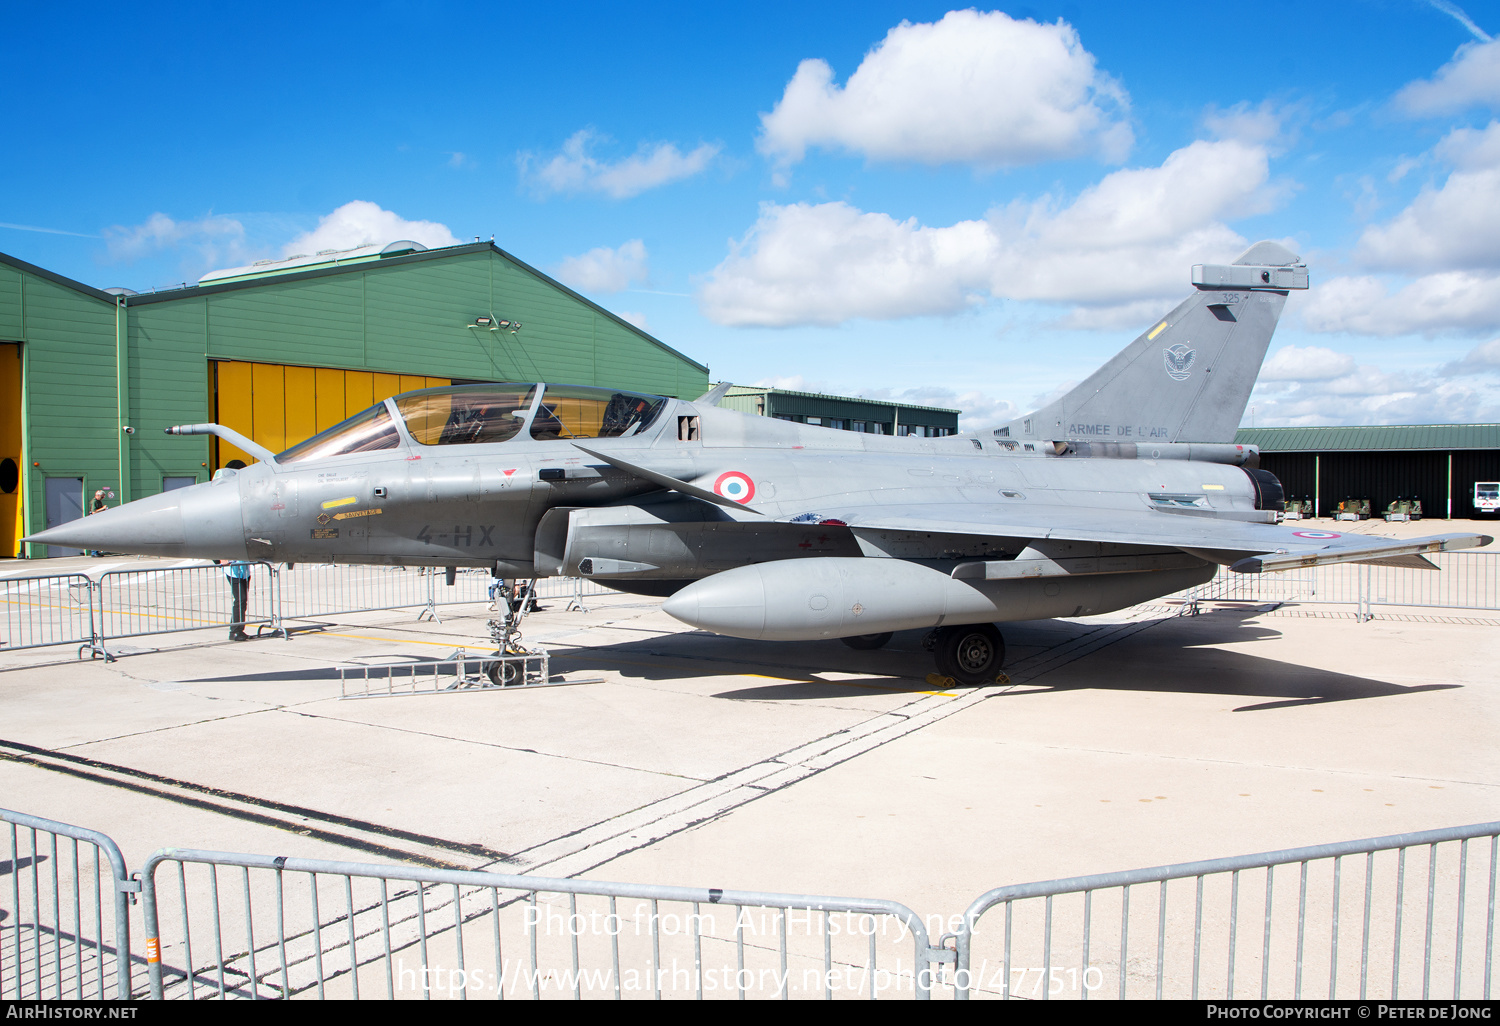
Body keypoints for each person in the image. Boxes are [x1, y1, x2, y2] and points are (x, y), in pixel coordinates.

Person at [218, 559, 252, 640]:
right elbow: (212, 548)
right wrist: (220, 560)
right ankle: (235, 631)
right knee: (240, 599)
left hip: (244, 571)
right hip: (233, 571)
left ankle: (238, 630)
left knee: (242, 601)